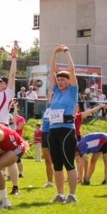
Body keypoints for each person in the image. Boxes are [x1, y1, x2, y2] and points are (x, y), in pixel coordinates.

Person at [47, 45, 79, 203]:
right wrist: (54, 53)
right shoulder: (56, 92)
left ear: (68, 81)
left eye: (62, 79)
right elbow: (51, 72)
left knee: (68, 162)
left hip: (66, 131)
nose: (59, 82)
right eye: (58, 79)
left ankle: (72, 195)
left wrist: (66, 52)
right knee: (57, 164)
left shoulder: (72, 91)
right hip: (53, 130)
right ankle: (60, 194)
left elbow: (72, 70)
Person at [0, 44, 21, 195]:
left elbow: (12, 75)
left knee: (8, 158)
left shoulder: (7, 93)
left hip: (1, 127)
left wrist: (14, 58)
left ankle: (15, 187)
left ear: (5, 85)